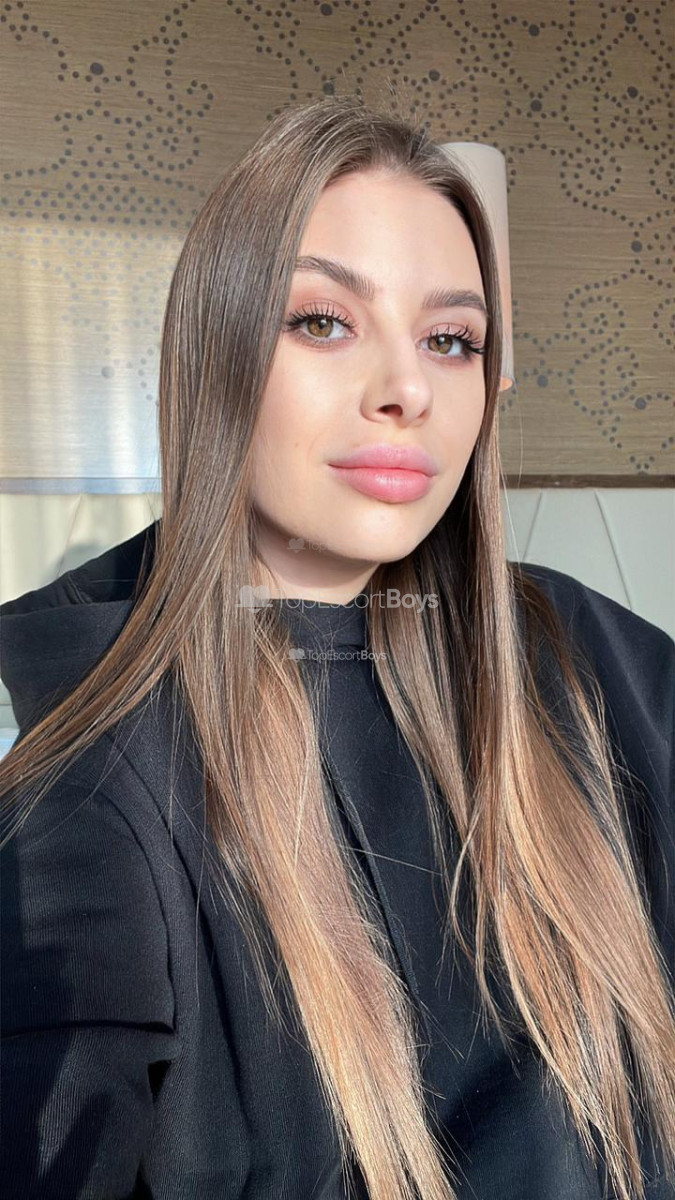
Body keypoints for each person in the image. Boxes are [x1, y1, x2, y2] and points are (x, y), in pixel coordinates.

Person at [0, 94, 673, 1200]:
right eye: (323, 321)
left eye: (451, 340)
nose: (408, 390)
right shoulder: (94, 793)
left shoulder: (588, 661)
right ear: (214, 349)